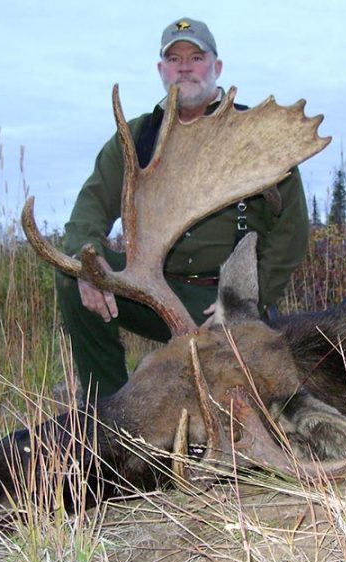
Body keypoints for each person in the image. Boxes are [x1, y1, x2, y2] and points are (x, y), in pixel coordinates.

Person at [56, 17, 311, 398]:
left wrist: (247, 297)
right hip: (154, 291)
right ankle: (104, 414)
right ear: (162, 70)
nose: (185, 66)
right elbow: (89, 209)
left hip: (226, 300)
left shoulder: (255, 135)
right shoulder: (138, 137)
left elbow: (292, 230)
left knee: (238, 395)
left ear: (216, 66)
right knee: (72, 277)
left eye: (196, 56)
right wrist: (87, 261)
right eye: (175, 59)